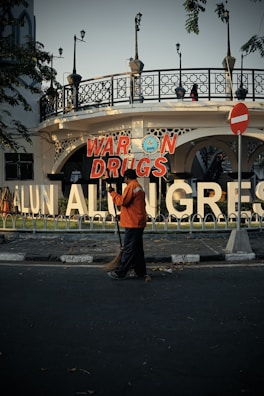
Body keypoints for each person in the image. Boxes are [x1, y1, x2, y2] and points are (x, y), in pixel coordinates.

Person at [107, 168, 147, 279]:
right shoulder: (138, 186)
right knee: (137, 249)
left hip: (133, 223)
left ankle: (121, 272)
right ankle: (140, 271)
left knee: (129, 249)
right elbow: (133, 206)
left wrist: (112, 193)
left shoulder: (131, 186)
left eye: (124, 178)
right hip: (138, 221)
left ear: (127, 178)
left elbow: (122, 201)